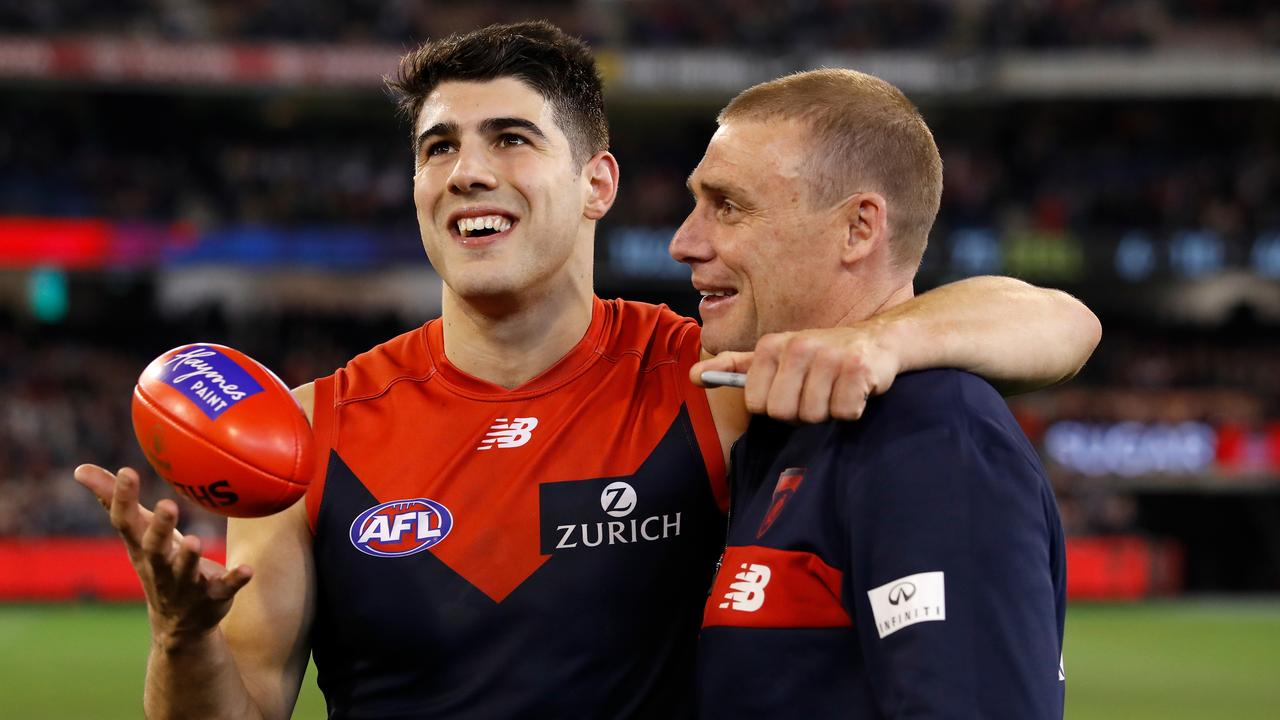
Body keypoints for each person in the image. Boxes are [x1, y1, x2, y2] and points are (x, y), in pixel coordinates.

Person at [74, 23, 1097, 719]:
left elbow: (1051, 320)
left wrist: (881, 341)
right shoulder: (306, 433)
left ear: (596, 180)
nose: (466, 169)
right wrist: (179, 637)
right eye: (437, 149)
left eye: (509, 138)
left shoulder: (711, 379)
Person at [678, 68, 1073, 718]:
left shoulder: (933, 437)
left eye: (728, 206)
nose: (684, 242)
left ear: (859, 229)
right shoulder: (783, 428)